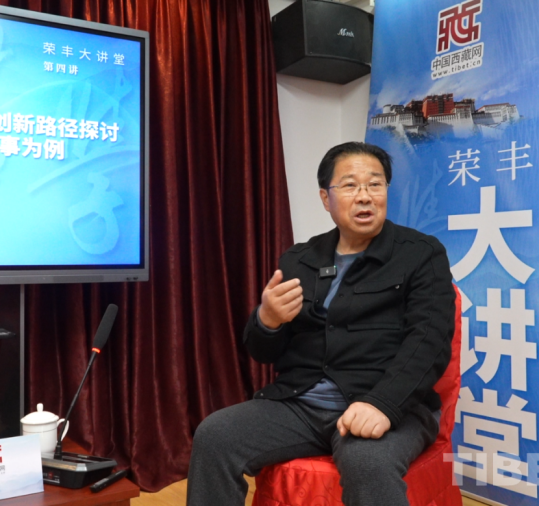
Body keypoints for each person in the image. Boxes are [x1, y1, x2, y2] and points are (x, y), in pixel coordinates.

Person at [187, 142, 456, 506]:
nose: (365, 196)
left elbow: (429, 342)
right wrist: (267, 320)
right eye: (350, 185)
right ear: (326, 198)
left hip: (386, 404)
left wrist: (382, 404)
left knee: (367, 462)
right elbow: (263, 351)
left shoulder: (420, 253)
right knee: (215, 435)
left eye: (375, 184)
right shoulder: (299, 259)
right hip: (299, 404)